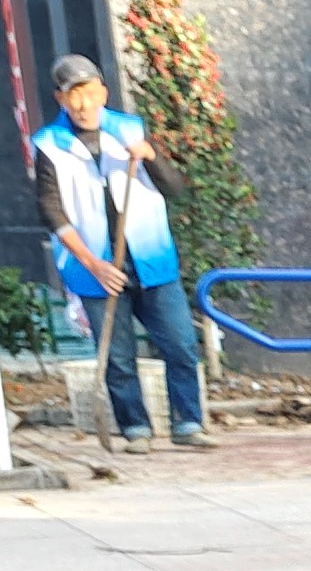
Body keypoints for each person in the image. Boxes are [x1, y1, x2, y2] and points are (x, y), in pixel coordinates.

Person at [30, 56, 208, 455]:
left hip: (151, 258)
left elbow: (174, 187)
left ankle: (188, 422)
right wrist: (93, 264)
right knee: (119, 357)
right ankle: (135, 427)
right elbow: (51, 211)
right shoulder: (49, 145)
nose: (83, 104)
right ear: (60, 98)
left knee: (180, 345)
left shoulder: (130, 130)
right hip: (95, 266)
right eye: (74, 95)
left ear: (103, 93)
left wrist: (150, 156)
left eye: (90, 93)